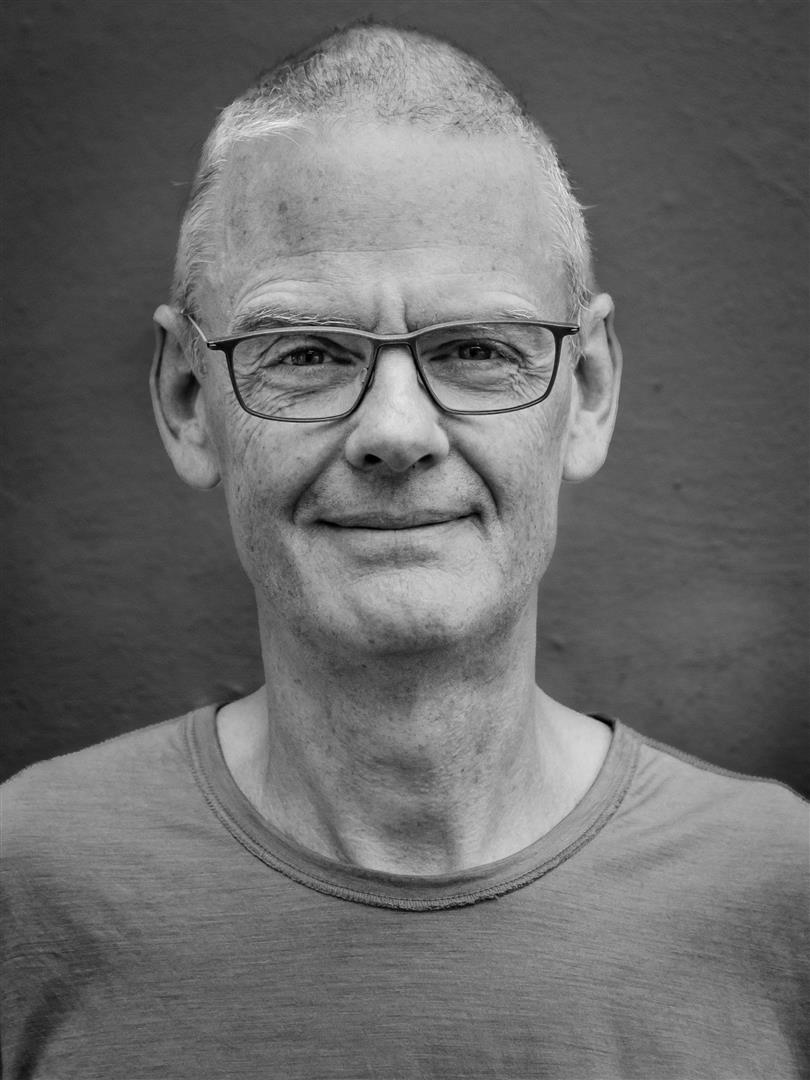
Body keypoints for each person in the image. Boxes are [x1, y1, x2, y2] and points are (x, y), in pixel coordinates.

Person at [1, 22, 806, 1080]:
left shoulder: (780, 896)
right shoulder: (26, 889)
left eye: (475, 349)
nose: (396, 431)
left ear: (589, 393)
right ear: (190, 400)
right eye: (305, 353)